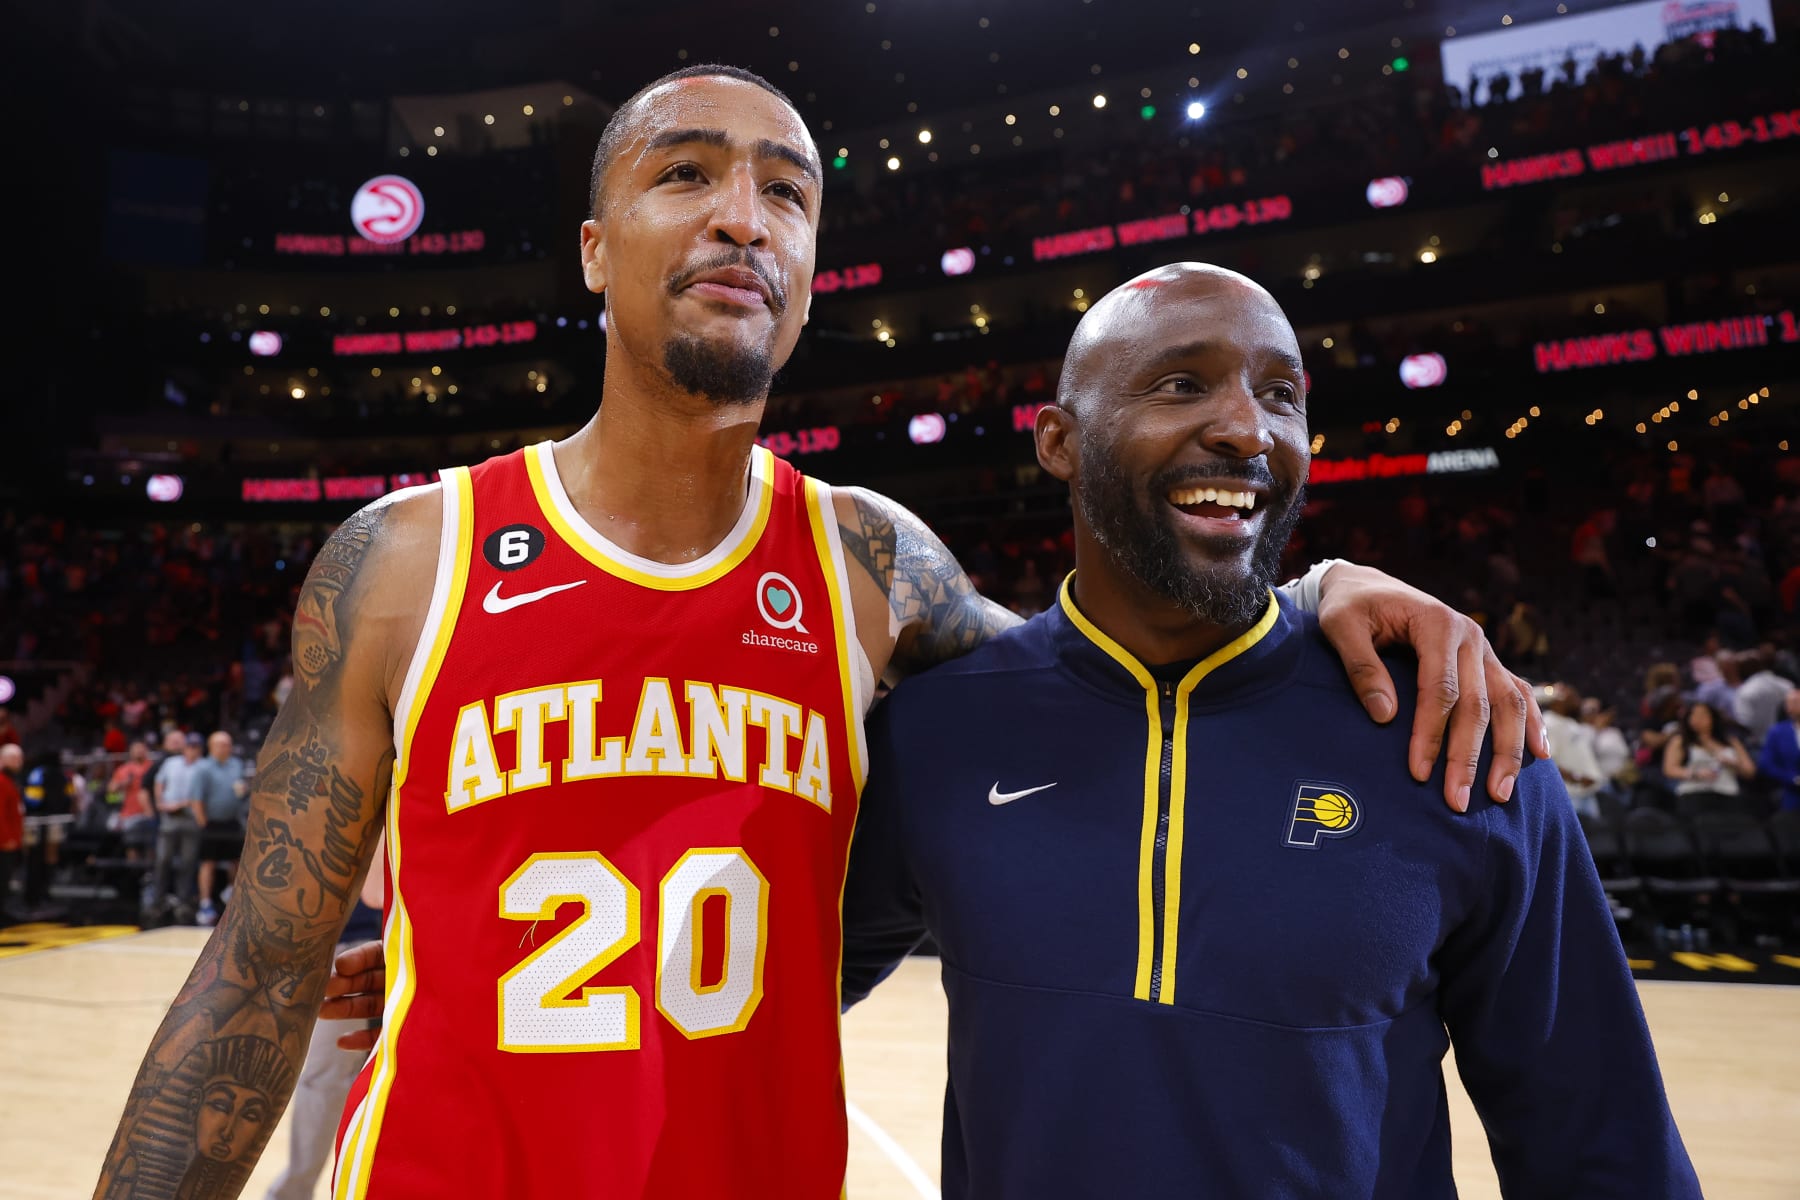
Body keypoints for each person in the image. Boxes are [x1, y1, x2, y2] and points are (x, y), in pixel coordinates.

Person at [98, 66, 1543, 1200]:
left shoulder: (868, 564)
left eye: (786, 194)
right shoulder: (411, 558)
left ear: (806, 273)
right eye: (688, 174)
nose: (744, 213)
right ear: (595, 253)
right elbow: (256, 975)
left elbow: (1100, 675)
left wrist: (1308, 594)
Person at [839, 263, 1697, 1198]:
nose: (1248, 428)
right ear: (1060, 443)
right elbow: (775, 991)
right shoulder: (937, 734)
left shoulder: (1455, 730)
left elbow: (1602, 1146)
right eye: (1181, 384)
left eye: (1281, 394)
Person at [262, 845, 385, 1200]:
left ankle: (293, 1192)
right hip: (338, 941)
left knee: (327, 1077)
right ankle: (294, 1191)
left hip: (371, 939)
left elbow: (375, 893)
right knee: (326, 1076)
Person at [190, 731, 250, 926]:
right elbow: (196, 799)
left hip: (232, 821)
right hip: (211, 823)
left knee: (237, 860)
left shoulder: (237, 765)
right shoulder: (203, 768)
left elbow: (240, 789)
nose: (227, 748)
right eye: (222, 744)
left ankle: (231, 893)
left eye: (229, 744)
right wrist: (203, 823)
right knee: (208, 863)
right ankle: (205, 903)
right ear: (212, 747)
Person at [144, 731, 205, 921]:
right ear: (185, 747)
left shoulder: (203, 767)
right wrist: (160, 802)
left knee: (188, 862)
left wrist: (185, 803)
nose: (192, 750)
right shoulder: (171, 763)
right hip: (169, 817)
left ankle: (183, 901)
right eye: (190, 746)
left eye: (196, 747)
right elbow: (158, 782)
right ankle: (157, 900)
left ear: (200, 750)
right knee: (163, 860)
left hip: (191, 818)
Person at [1662, 701, 1757, 815]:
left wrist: (1733, 763)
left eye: (1702, 715)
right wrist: (1695, 773)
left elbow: (1750, 771)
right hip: (1695, 793)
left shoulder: (1730, 741)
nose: (1698, 719)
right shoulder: (1680, 741)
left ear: (1712, 717)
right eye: (1693, 715)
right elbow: (1669, 769)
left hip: (1727, 792)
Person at [1543, 683, 1606, 819]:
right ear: (1557, 701)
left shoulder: (1569, 722)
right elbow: (1547, 760)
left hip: (1586, 792)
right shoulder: (1549, 722)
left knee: (1596, 837)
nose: (1577, 700)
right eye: (1572, 697)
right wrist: (1576, 778)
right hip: (1570, 794)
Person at [106, 740, 158, 862]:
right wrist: (123, 783)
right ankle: (134, 876)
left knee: (151, 846)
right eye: (136, 748)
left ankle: (149, 875)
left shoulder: (152, 767)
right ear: (130, 752)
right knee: (132, 845)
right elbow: (111, 789)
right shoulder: (124, 769)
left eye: (141, 748)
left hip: (149, 812)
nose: (139, 751)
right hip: (130, 814)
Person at [1733, 650, 1794, 745]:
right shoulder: (1786, 684)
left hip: (1759, 744)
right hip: (1788, 741)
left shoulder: (1745, 691)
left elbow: (1745, 723)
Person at [1755, 687, 1800, 812]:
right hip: (1791, 790)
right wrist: (1793, 778)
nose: (1790, 708)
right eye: (1788, 704)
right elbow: (1766, 764)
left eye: (1795, 703)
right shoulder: (1777, 731)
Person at [0, 743, 22, 920]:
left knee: (5, 880)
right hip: (4, 842)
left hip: (10, 840)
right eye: (15, 758)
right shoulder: (1, 781)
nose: (19, 762)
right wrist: (5, 838)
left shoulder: (9, 780)